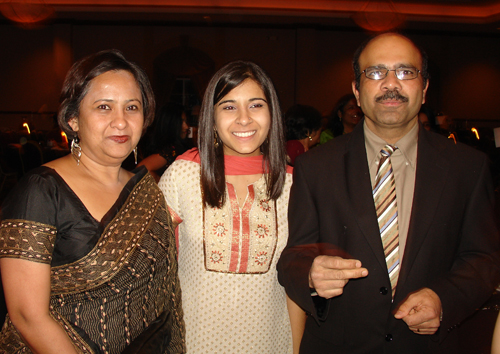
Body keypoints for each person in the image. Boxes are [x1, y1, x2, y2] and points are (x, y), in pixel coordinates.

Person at [277, 32, 500, 353]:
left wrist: (444, 297)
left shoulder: (468, 167)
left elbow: (484, 258)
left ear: (424, 88)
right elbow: (293, 256)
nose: (391, 83)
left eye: (406, 72)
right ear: (356, 89)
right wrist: (310, 274)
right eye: (376, 72)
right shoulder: (315, 167)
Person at [0, 50, 185, 353]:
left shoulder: (145, 189)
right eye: (103, 107)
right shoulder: (40, 191)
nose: (121, 122)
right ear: (73, 119)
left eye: (132, 107)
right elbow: (27, 315)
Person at [159, 60, 301, 353]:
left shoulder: (293, 183)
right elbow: (156, 267)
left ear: (272, 114)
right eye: (229, 106)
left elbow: (296, 284)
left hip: (270, 341)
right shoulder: (184, 174)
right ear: (211, 117)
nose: (244, 119)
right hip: (195, 340)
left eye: (256, 105)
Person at [138, 102, 191, 182]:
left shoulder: (175, 147)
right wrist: (164, 184)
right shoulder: (169, 150)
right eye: (181, 122)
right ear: (171, 124)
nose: (186, 127)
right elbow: (140, 169)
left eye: (186, 121)